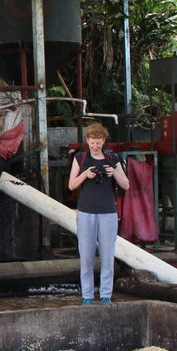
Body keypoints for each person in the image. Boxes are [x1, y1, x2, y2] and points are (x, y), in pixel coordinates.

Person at [66, 123, 129, 304]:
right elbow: (71, 185)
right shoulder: (80, 158)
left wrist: (114, 172)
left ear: (103, 141)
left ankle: (105, 294)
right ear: (87, 141)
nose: (95, 146)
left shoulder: (112, 158)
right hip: (86, 212)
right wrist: (85, 174)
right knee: (86, 256)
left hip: (108, 212)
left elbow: (126, 185)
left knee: (107, 256)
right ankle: (87, 295)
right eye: (92, 143)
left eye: (98, 143)